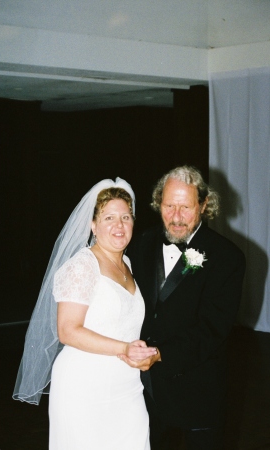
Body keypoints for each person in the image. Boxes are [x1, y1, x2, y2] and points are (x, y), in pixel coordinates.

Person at [13, 177, 157, 450]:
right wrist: (124, 347)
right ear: (93, 224)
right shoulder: (81, 266)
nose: (119, 225)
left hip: (127, 386)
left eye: (126, 217)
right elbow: (68, 330)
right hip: (84, 388)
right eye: (109, 217)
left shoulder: (127, 263)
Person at [123, 166, 246, 450]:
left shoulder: (228, 258)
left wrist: (160, 354)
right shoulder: (142, 243)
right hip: (144, 390)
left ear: (204, 205)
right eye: (169, 206)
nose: (176, 217)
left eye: (186, 207)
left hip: (197, 391)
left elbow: (212, 329)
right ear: (158, 203)